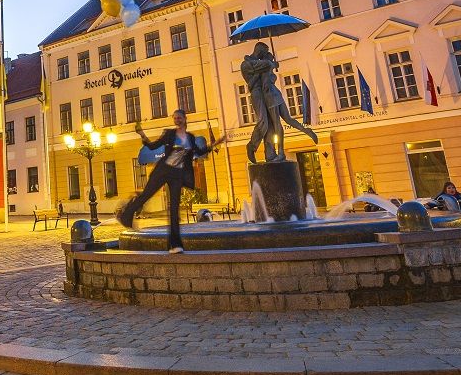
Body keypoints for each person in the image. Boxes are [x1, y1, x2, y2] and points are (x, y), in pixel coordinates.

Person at [117, 109, 219, 252]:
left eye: (179, 118)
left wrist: (213, 145)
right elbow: (153, 146)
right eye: (175, 118)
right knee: (146, 195)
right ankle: (125, 215)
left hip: (177, 175)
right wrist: (142, 134)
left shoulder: (190, 137)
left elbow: (198, 151)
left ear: (185, 119)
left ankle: (175, 244)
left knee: (174, 209)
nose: (177, 120)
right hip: (162, 171)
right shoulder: (169, 134)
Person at [241, 42, 320, 163]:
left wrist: (270, 66)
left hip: (268, 94)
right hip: (258, 93)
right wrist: (271, 64)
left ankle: (271, 154)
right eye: (264, 52)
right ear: (260, 51)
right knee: (264, 122)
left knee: (272, 126)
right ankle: (252, 146)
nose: (265, 55)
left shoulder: (261, 63)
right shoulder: (247, 63)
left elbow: (266, 68)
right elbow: (263, 67)